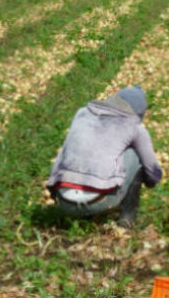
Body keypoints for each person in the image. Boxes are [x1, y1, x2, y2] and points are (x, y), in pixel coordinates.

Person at [46, 85, 162, 229]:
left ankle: (84, 219)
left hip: (64, 201)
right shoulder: (134, 125)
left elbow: (61, 156)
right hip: (99, 202)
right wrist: (149, 182)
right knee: (135, 155)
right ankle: (127, 220)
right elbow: (153, 171)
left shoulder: (82, 113)